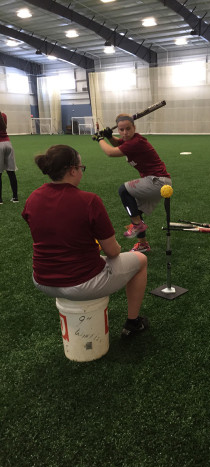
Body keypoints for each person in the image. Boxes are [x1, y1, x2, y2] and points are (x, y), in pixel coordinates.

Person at [22, 144, 148, 338]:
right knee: (140, 260)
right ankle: (133, 322)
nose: (82, 172)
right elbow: (113, 251)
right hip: (81, 282)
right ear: (72, 170)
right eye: (81, 168)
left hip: (41, 279)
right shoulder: (89, 200)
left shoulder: (33, 198)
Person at [93, 114, 172, 253]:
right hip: (156, 182)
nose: (125, 133)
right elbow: (120, 143)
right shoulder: (131, 141)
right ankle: (143, 244)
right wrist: (110, 137)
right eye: (121, 130)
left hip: (158, 181)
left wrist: (100, 139)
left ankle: (136, 225)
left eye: (128, 129)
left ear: (134, 128)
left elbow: (111, 152)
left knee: (123, 190)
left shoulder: (136, 142)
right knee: (135, 210)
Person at [0, 111, 18, 204]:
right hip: (8, 144)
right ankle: (15, 197)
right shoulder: (4, 115)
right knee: (11, 172)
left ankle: (0, 200)